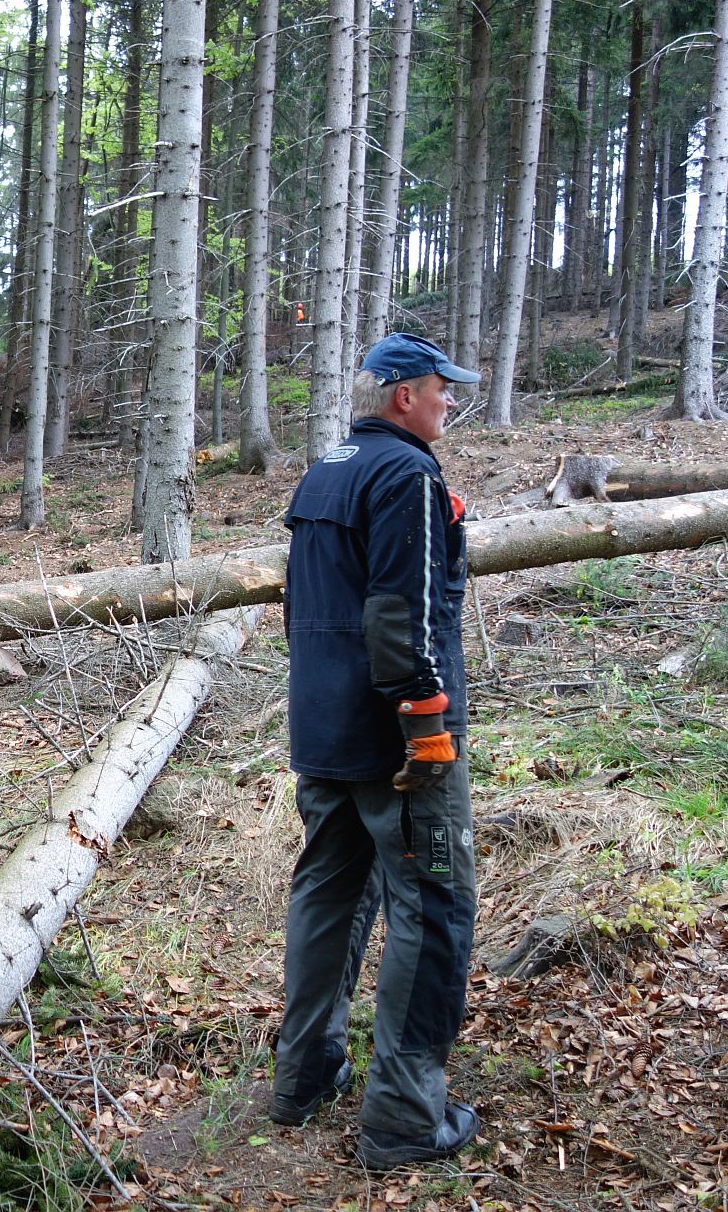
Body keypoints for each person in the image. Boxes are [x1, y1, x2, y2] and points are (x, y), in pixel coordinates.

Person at [269, 332, 480, 1171]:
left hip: (323, 729)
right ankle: (403, 1119)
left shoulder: (325, 471)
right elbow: (401, 610)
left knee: (328, 893)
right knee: (434, 908)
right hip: (397, 742)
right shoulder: (408, 475)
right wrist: (425, 723)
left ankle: (303, 1076)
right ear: (404, 396)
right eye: (441, 388)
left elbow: (308, 606)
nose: (450, 401)